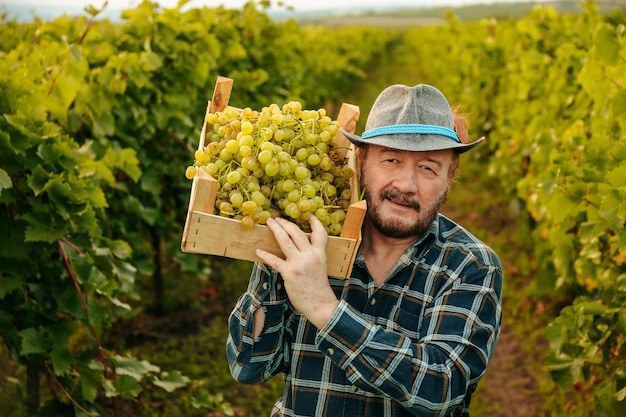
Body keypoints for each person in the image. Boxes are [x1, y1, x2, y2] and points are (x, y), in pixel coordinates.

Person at [226, 83, 503, 417]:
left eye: (428, 167)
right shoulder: (314, 244)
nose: (406, 184)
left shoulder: (470, 265)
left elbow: (440, 388)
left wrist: (324, 308)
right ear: (361, 162)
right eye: (391, 160)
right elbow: (248, 366)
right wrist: (274, 254)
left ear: (450, 175)